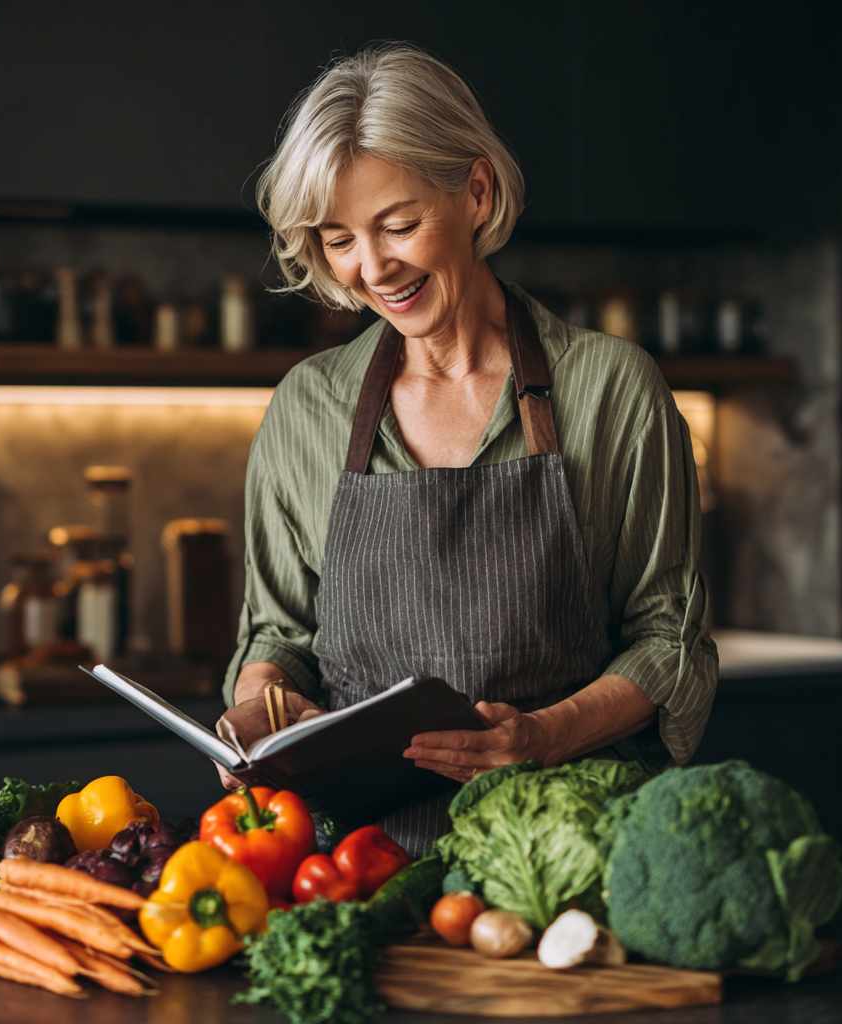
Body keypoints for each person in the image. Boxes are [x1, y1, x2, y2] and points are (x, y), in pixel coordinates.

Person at [218, 44, 717, 856]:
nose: (371, 268)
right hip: (350, 871)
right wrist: (262, 709)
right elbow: (278, 635)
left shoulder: (610, 390)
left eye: (399, 225)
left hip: (561, 854)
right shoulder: (307, 408)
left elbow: (671, 640)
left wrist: (545, 735)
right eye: (338, 238)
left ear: (477, 193)